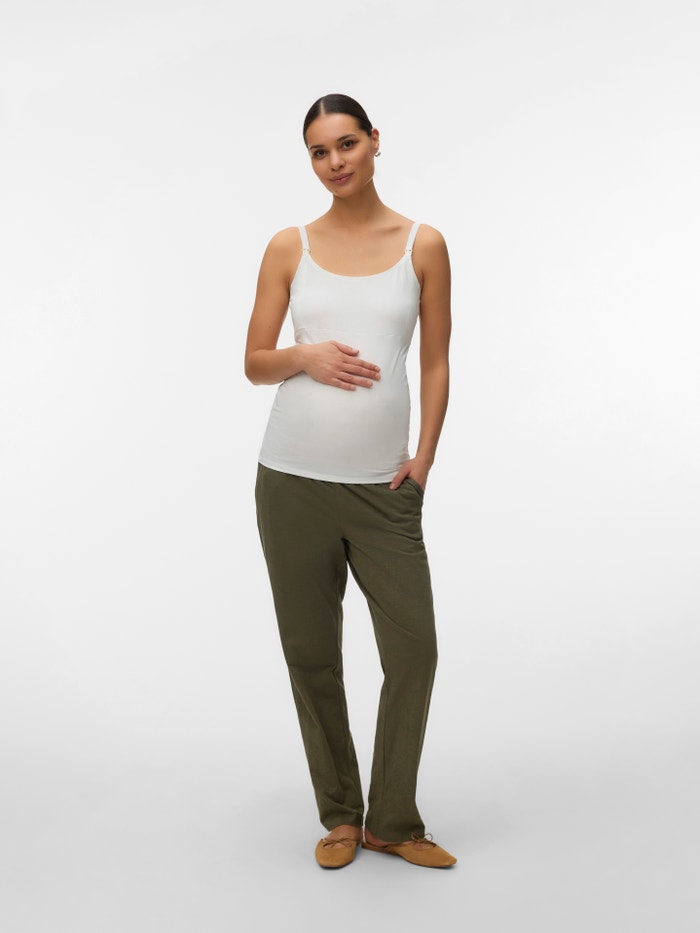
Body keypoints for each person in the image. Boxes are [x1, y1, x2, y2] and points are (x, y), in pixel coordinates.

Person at [244, 93, 455, 869]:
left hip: (383, 489)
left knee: (414, 651)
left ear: (374, 141)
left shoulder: (422, 244)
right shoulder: (288, 246)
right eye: (318, 151)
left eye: (346, 144)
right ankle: (340, 814)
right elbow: (255, 362)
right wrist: (305, 356)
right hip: (291, 481)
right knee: (312, 653)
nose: (334, 161)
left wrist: (423, 457)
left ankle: (392, 819)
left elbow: (435, 360)